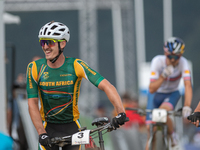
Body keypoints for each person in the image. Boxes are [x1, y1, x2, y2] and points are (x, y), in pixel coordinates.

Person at [26, 21, 127, 150]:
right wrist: (41, 132)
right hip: (47, 129)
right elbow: (32, 103)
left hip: (72, 127)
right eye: (42, 42)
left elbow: (106, 86)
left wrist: (120, 112)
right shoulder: (34, 68)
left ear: (62, 43)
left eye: (49, 42)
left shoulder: (75, 65)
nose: (45, 47)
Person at [145, 37, 193, 150]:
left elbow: (187, 85)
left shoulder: (183, 63)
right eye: (170, 56)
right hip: (156, 94)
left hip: (172, 93)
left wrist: (187, 105)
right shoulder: (157, 61)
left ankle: (172, 136)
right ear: (165, 53)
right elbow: (151, 89)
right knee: (150, 129)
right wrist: (163, 76)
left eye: (176, 57)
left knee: (162, 112)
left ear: (180, 56)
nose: (173, 60)